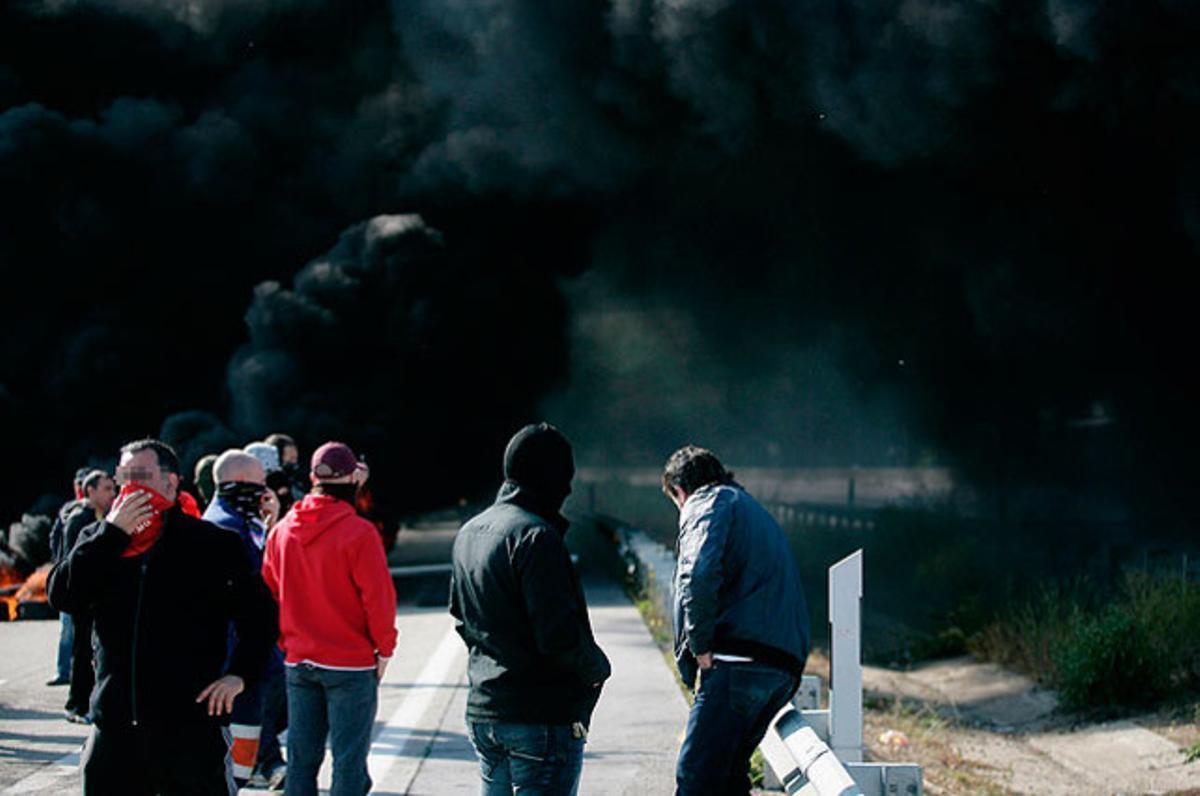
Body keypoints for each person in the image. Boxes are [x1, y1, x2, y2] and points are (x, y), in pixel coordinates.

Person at [47, 438, 278, 795]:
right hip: (116, 726)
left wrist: (240, 675)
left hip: (189, 728)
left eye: (141, 477)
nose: (131, 488)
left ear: (171, 483)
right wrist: (112, 535)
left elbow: (260, 617)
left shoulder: (212, 545)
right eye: (124, 478)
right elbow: (63, 595)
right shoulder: (98, 539)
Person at [450, 423, 610, 796]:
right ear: (551, 478)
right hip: (539, 716)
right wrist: (596, 671)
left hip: (484, 711)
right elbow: (558, 636)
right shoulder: (537, 537)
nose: (568, 489)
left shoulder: (470, 531)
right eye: (564, 477)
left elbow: (461, 616)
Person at [663, 446, 810, 796]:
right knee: (728, 777)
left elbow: (697, 574)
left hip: (737, 662)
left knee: (696, 776)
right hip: (781, 668)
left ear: (680, 492)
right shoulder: (754, 512)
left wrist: (699, 647)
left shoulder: (706, 503)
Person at [261, 441, 397, 796]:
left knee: (302, 762)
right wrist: (384, 650)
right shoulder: (360, 533)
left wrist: (285, 642)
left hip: (299, 660)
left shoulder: (283, 530)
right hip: (350, 663)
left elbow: (269, 596)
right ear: (353, 477)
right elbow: (379, 601)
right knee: (349, 762)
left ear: (311, 478)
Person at [202, 450, 286, 789]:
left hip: (250, 658)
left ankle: (263, 765)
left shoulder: (242, 522)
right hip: (236, 662)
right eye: (258, 485)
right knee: (235, 760)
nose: (265, 493)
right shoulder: (224, 529)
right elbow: (259, 588)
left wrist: (271, 523)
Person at [59, 470, 117, 723]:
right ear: (89, 491)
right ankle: (77, 705)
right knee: (82, 650)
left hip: (94, 596)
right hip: (82, 597)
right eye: (106, 489)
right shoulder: (79, 519)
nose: (112, 494)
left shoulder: (100, 515)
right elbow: (74, 560)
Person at [47, 466, 92, 687]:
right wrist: (59, 564)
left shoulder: (101, 510)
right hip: (69, 574)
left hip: (81, 577)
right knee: (68, 629)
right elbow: (56, 538)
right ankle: (63, 671)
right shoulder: (72, 512)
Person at [265, 433, 306, 503]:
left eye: (295, 458)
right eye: (291, 459)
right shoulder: (265, 484)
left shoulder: (297, 481)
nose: (294, 462)